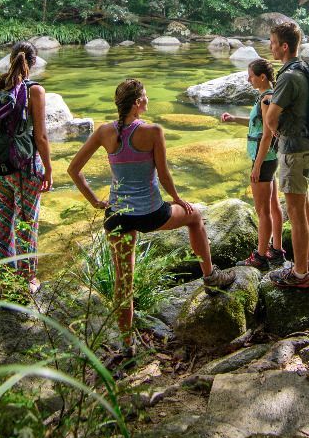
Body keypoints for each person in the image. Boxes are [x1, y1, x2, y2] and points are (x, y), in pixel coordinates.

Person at [68, 79, 235, 343]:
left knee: (124, 281)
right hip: (151, 214)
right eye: (144, 97)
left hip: (117, 216)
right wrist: (179, 199)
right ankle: (210, 276)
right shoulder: (153, 131)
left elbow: (73, 170)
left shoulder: (103, 132)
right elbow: (165, 175)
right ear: (137, 103)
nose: (147, 100)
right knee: (194, 217)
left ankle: (127, 345)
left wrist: (94, 201)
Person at [0, 41, 53, 294]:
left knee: (1, 225)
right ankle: (27, 280)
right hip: (24, 169)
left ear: (10, 59)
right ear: (33, 63)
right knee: (26, 224)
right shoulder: (35, 91)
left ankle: (3, 280)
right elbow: (41, 137)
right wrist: (48, 168)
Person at [262, 20, 309, 290]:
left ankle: (299, 275)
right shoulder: (305, 69)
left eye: (273, 43)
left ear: (284, 46)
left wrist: (275, 134)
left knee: (295, 211)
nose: (270, 48)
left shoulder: (287, 76)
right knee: (304, 204)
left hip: (293, 150)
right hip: (308, 145)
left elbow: (272, 117)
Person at [219, 59, 285, 268]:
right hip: (270, 158)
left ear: (262, 77)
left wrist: (256, 166)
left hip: (263, 159)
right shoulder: (268, 97)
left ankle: (260, 256)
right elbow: (258, 123)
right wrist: (233, 119)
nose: (248, 79)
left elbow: (266, 135)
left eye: (251, 75)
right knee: (273, 206)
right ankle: (276, 249)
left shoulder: (266, 98)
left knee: (262, 210)